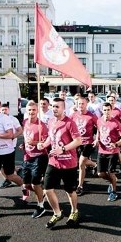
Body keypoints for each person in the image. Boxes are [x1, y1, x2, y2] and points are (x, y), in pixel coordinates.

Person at [37, 98, 83, 229]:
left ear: (64, 108)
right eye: (53, 106)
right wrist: (43, 144)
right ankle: (57, 213)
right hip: (54, 162)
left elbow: (78, 141)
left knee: (70, 191)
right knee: (47, 189)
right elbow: (51, 138)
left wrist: (62, 149)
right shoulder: (51, 121)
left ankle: (74, 211)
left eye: (57, 106)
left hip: (69, 163)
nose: (54, 109)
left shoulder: (70, 123)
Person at [20, 101, 51, 219]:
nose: (31, 112)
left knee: (35, 183)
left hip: (39, 157)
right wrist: (24, 144)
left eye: (33, 110)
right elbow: (25, 137)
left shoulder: (41, 126)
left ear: (37, 111)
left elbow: (46, 143)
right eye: (29, 110)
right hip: (27, 157)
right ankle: (41, 193)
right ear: (26, 111)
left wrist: (34, 143)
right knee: (26, 185)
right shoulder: (25, 122)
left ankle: (41, 206)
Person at [95, 102, 121, 202]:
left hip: (113, 152)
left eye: (108, 110)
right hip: (101, 150)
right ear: (102, 111)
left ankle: (114, 192)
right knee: (100, 173)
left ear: (111, 110)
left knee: (111, 172)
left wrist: (116, 144)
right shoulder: (99, 121)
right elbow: (98, 131)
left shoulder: (115, 123)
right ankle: (112, 181)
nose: (106, 112)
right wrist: (96, 139)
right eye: (104, 110)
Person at [71, 97, 97, 196]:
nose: (80, 106)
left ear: (86, 104)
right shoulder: (73, 115)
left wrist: (97, 138)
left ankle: (80, 186)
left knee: (81, 163)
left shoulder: (91, 116)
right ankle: (94, 165)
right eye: (79, 104)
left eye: (82, 104)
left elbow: (99, 126)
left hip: (88, 142)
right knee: (80, 162)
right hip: (77, 142)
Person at [0, 102, 24, 189]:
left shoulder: (13, 119)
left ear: (8, 110)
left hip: (10, 146)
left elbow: (20, 130)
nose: (4, 111)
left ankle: (15, 175)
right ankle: (8, 179)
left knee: (6, 165)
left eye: (5, 109)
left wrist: (13, 136)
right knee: (1, 165)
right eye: (2, 110)